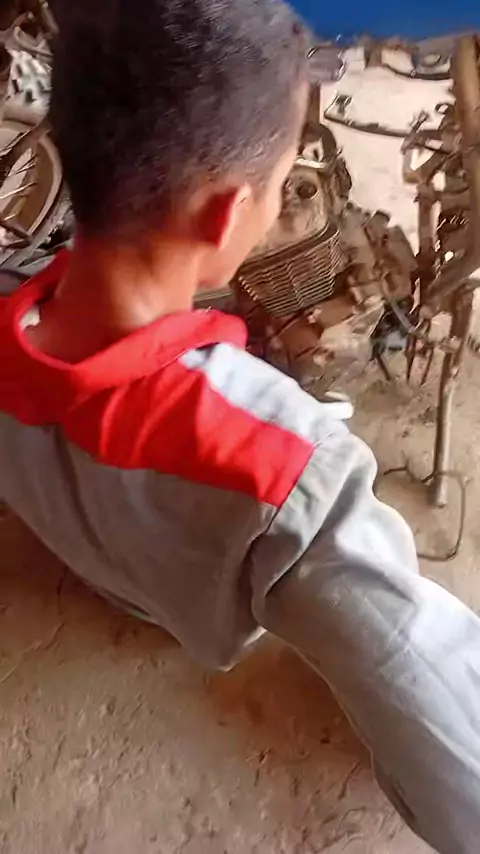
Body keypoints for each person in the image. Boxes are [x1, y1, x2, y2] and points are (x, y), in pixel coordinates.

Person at [1, 2, 480, 851]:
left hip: (100, 562)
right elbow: (440, 715)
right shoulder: (291, 468)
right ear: (227, 217)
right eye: (286, 174)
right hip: (193, 608)